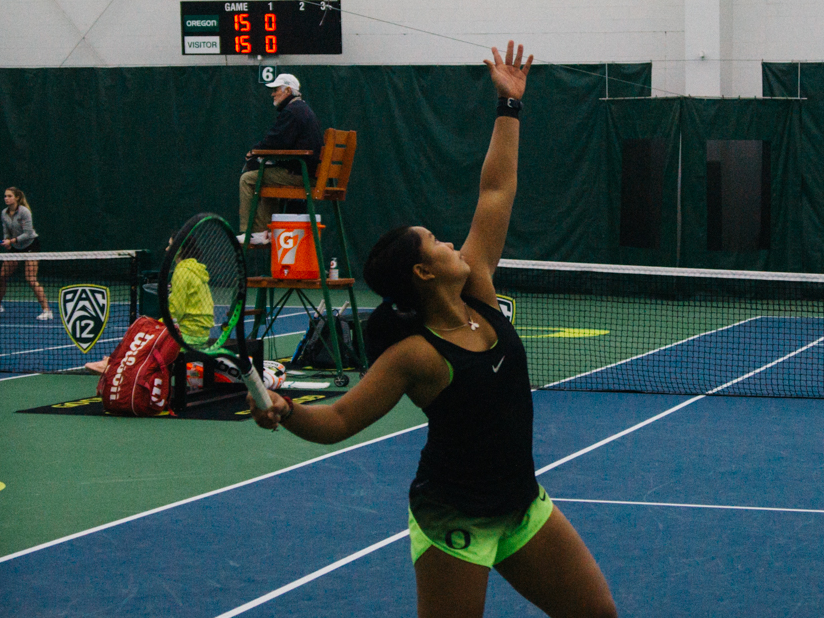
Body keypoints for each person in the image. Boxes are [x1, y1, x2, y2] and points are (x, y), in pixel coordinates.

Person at [249, 42, 618, 618]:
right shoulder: (415, 356)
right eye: (437, 242)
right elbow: (341, 418)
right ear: (424, 272)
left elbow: (496, 190)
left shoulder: (479, 288)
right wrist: (288, 409)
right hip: (454, 523)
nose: (451, 243)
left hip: (523, 507)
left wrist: (509, 105)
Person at [85, 235, 213, 374]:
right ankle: (113, 362)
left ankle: (113, 365)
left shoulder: (182, 271)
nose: (166, 249)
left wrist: (156, 326)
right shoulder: (197, 269)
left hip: (187, 335)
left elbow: (176, 311)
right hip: (200, 333)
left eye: (170, 245)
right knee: (144, 330)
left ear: (179, 249)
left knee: (140, 330)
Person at [238, 73, 324, 245]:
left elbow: (276, 140)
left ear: (287, 90)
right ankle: (265, 231)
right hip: (307, 173)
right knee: (266, 178)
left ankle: (251, 232)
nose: (273, 94)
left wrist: (255, 152)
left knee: (247, 179)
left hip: (301, 175)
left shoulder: (293, 112)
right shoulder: (303, 110)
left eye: (276, 90)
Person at [0, 187, 52, 320]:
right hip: (15, 247)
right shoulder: (4, 213)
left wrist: (12, 240)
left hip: (30, 245)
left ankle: (47, 310)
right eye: (5, 196)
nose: (6, 198)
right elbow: (6, 231)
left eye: (9, 196)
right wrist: (8, 240)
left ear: (17, 198)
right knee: (3, 276)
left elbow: (28, 233)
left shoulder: (24, 212)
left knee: (31, 279)